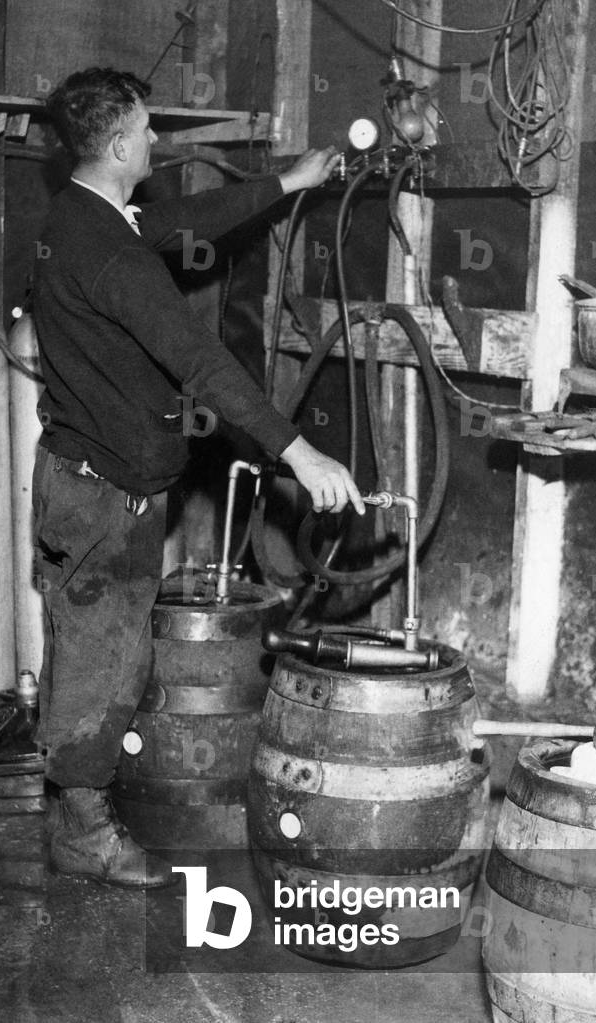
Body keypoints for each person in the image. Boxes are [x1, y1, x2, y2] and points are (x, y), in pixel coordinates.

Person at [32, 67, 364, 889]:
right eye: (146, 131)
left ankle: (79, 806)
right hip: (101, 495)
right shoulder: (112, 259)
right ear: (116, 145)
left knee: (106, 649)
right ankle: (82, 831)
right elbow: (200, 361)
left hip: (101, 482)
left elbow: (179, 218)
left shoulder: (85, 215)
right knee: (98, 659)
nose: (156, 141)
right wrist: (301, 452)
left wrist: (289, 180)